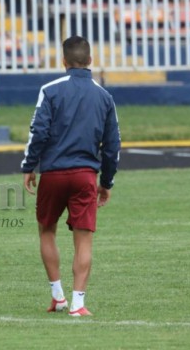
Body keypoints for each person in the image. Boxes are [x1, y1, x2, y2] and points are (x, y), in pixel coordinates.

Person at [21, 36, 121, 317]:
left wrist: (29, 166)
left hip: (52, 173)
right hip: (85, 175)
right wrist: (107, 181)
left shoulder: (49, 90)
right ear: (90, 61)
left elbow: (37, 132)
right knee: (83, 240)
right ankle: (78, 304)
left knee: (46, 230)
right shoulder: (104, 96)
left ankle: (58, 297)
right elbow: (113, 145)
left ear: (63, 61)